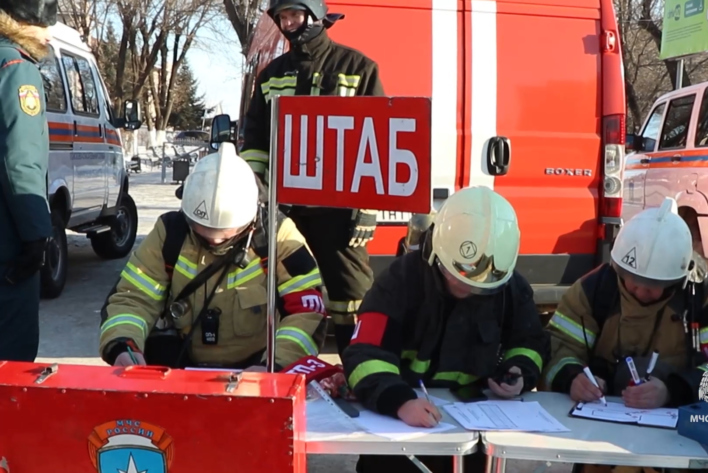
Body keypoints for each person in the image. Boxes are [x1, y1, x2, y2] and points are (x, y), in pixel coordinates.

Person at [342, 186, 551, 473]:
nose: (470, 286)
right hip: (398, 430)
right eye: (460, 274)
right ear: (437, 253)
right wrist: (399, 401)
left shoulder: (510, 288)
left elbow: (531, 341)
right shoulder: (400, 280)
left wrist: (519, 372)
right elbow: (366, 353)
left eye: (482, 284)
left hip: (473, 433)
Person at [542, 197, 708, 473]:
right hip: (601, 446)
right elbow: (555, 349)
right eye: (632, 282)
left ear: (677, 279)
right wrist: (571, 378)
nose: (641, 292)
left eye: (654, 286)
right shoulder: (593, 291)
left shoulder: (707, 299)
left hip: (680, 451)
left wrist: (673, 390)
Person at [99, 143, 328, 371]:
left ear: (250, 219)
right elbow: (134, 298)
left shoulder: (277, 236)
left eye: (226, 233)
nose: (215, 240)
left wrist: (274, 366)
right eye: (202, 229)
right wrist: (123, 346)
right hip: (182, 363)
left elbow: (306, 312)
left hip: (258, 366)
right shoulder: (170, 233)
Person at [239, 0, 385, 356]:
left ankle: (363, 370)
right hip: (285, 213)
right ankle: (291, 372)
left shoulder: (358, 68)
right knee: (284, 294)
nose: (288, 23)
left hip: (339, 212)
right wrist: (254, 196)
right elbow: (256, 140)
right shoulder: (271, 75)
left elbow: (379, 144)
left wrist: (366, 209)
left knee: (351, 294)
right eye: (283, 17)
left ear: (315, 14)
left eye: (295, 15)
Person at [0, 0, 56, 362]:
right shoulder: (16, 67)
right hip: (7, 241)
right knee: (13, 358)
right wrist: (37, 235)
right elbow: (20, 158)